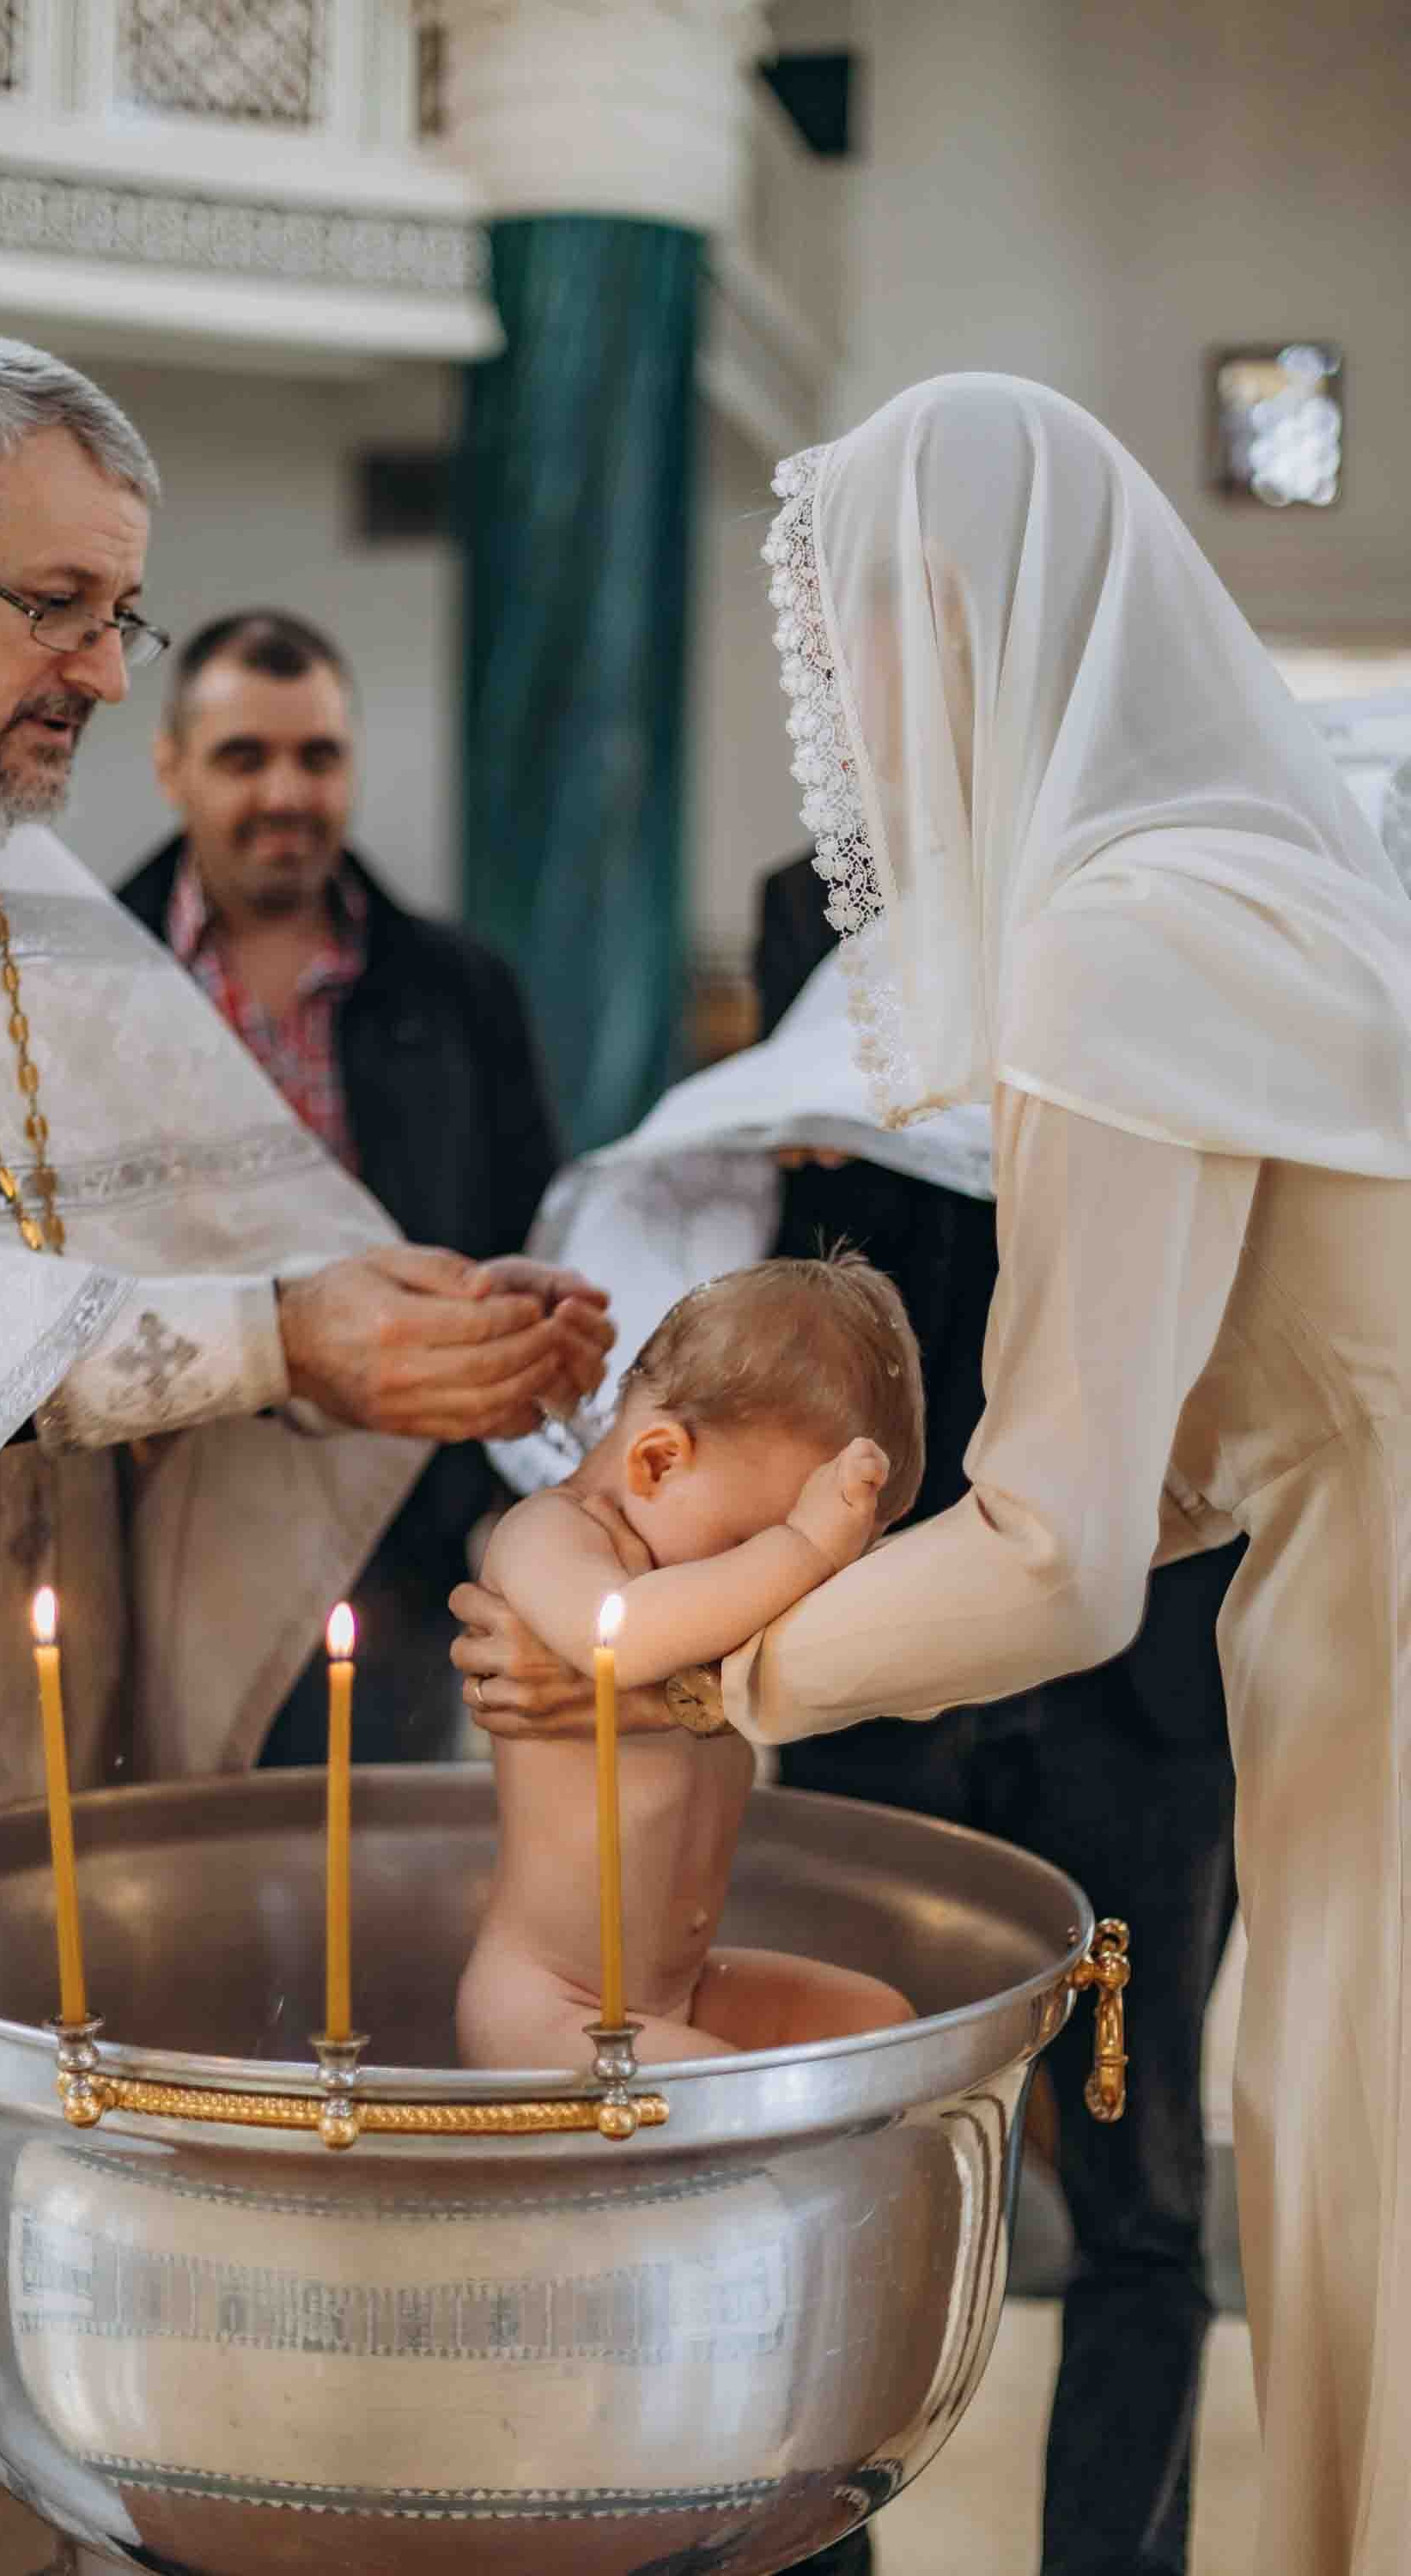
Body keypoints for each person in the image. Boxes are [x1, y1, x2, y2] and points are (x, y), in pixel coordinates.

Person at [453, 374, 1411, 2576]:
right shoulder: (1250, 868)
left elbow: (1069, 1559)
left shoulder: (1121, 926)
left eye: (853, 629)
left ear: (973, 622)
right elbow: (1188, 1441)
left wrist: (698, 1662)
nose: (844, 702)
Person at [0, 319, 610, 2576]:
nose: (109, 674)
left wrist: (380, 1315)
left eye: (132, 613)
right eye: (61, 607)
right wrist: (271, 1332)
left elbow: (236, 1227)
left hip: (22, 1798)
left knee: (11, 2371)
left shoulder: (32, 894)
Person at [758, 850, 1243, 2576]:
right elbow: (812, 1319)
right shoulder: (812, 903)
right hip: (889, 1654)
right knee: (837, 2168)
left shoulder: (1178, 911)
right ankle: (818, 2556)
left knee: (1141, 2200)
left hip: (1142, 1654)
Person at [119, 610, 561, 1761]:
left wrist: (474, 1513)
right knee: (150, 1889)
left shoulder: (462, 989)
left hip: (391, 1544)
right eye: (242, 757)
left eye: (317, 756)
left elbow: (526, 1230)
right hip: (153, 1519)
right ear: (170, 767)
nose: (285, 792)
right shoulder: (91, 976)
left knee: (369, 1882)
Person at [459, 1258, 919, 2069]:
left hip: (680, 1988)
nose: (774, 1585)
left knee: (879, 2023)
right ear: (658, 1462)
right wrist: (802, 1545)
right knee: (724, 2091)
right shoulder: (549, 1536)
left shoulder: (694, 1560)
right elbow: (624, 1641)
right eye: (751, 1543)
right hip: (550, 2004)